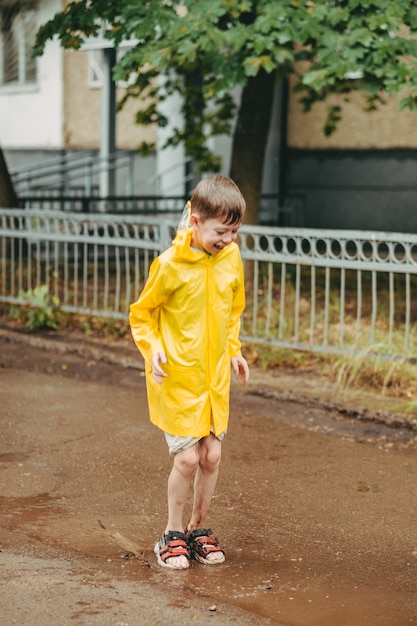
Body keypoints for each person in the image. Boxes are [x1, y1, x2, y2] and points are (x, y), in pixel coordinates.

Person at [129, 174, 250, 570]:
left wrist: (234, 352)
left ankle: (199, 529)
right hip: (177, 378)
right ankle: (171, 533)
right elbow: (141, 315)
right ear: (195, 221)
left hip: (213, 380)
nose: (228, 240)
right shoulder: (169, 265)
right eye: (221, 231)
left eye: (234, 232)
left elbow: (232, 312)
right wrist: (154, 348)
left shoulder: (231, 260)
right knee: (187, 460)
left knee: (212, 455)